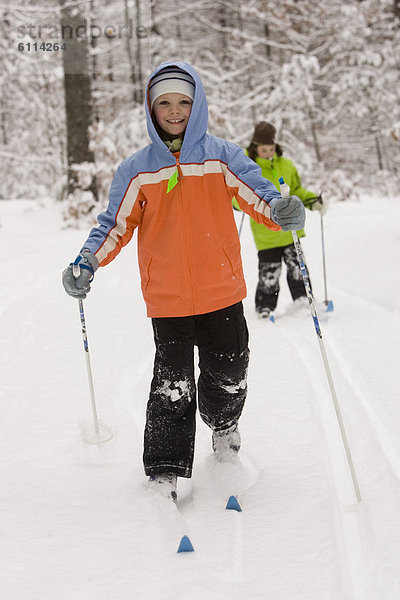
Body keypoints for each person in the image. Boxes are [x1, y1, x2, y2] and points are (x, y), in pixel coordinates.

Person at [62, 62, 305, 502]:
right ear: (152, 109)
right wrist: (87, 261)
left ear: (198, 106)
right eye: (165, 103)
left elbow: (257, 192)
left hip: (222, 292)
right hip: (169, 300)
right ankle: (163, 469)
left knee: (230, 374)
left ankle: (224, 425)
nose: (175, 111)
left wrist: (279, 209)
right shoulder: (137, 169)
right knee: (172, 387)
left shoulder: (221, 156)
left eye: (183, 102)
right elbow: (113, 226)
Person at [235, 121, 327, 320]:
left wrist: (313, 202)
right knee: (269, 273)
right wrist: (236, 202)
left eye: (271, 148)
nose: (268, 152)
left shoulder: (286, 165)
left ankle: (303, 300)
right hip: (266, 233)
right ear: (255, 148)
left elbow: (297, 191)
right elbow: (240, 193)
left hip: (291, 230)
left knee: (298, 269)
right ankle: (264, 307)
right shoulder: (248, 168)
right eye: (263, 149)